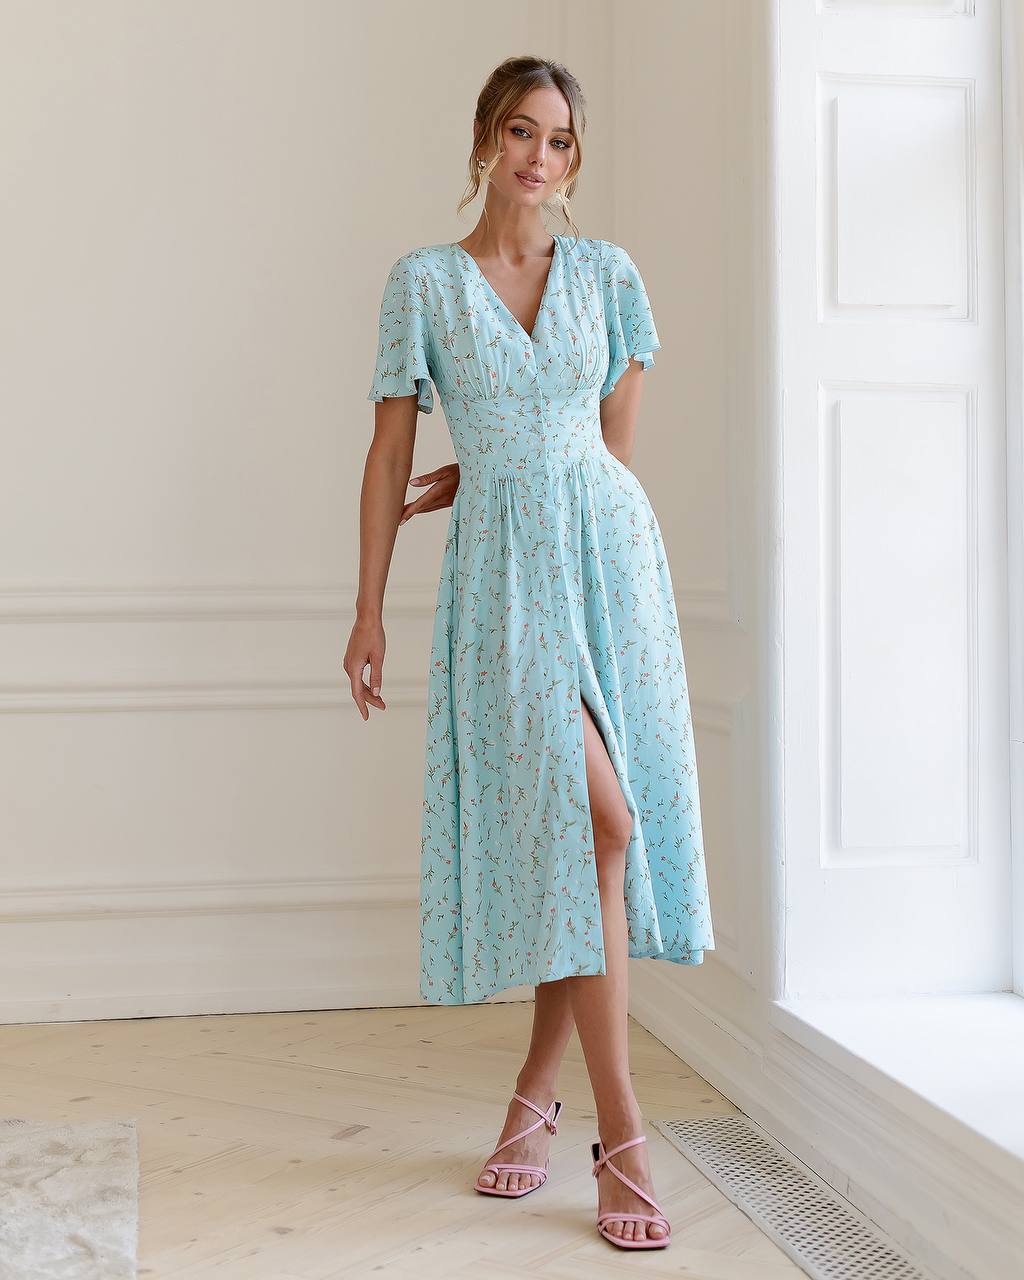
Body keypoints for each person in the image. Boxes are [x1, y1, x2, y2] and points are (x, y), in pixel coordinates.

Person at [345, 54, 714, 1251]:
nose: (539, 160)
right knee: (594, 825)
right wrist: (368, 608)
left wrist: (522, 469)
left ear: (574, 161)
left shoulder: (608, 276)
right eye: (520, 133)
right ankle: (624, 1132)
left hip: (609, 569)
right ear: (483, 140)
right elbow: (391, 455)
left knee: (591, 833)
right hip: (500, 587)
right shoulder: (426, 285)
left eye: (560, 143)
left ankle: (534, 1102)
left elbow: (605, 450)